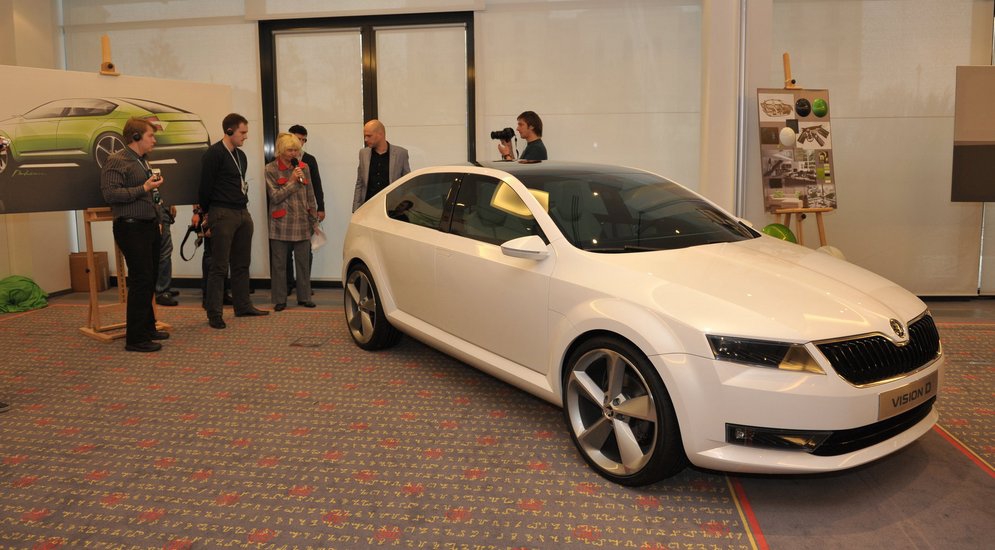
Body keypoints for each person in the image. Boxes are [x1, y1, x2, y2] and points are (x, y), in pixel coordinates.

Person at [99, 117, 169, 352]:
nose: (154, 140)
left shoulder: (142, 161)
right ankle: (136, 339)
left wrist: (158, 217)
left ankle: (147, 328)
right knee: (141, 280)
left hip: (148, 225)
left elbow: (149, 195)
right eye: (151, 135)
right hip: (130, 227)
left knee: (149, 278)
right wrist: (144, 188)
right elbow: (110, 195)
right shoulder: (116, 160)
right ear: (136, 137)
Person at [198, 112, 269, 329]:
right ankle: (214, 313)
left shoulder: (241, 156)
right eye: (242, 132)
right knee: (219, 266)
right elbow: (205, 187)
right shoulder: (214, 154)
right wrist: (205, 215)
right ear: (229, 131)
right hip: (222, 212)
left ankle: (243, 305)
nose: (245, 136)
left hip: (242, 212)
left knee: (241, 264)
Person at [266, 133, 317, 311]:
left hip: (302, 221)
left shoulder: (304, 167)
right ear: (280, 150)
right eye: (290, 150)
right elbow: (275, 196)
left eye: (296, 150)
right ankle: (280, 299)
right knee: (279, 264)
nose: (294, 153)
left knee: (303, 262)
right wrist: (292, 181)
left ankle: (304, 297)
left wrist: (314, 218)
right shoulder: (270, 169)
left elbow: (310, 194)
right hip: (280, 223)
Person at [286, 124, 324, 295]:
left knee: (305, 250)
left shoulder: (309, 160)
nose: (300, 143)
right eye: (297, 139)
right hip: (286, 212)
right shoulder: (279, 160)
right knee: (285, 251)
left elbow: (317, 185)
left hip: (305, 211)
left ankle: (304, 285)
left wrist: (320, 207)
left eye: (303, 140)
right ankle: (287, 284)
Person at [353, 119, 410, 212]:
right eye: (365, 136)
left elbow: (407, 183)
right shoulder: (363, 153)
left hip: (391, 209)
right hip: (368, 208)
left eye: (369, 136)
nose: (366, 139)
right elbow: (360, 182)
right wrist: (356, 209)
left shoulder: (400, 153)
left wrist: (403, 207)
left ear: (380, 134)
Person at [154, 200, 179, 306]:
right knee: (164, 252)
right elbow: (155, 193)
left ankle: (163, 288)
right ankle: (162, 291)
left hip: (162, 208)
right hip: (159, 210)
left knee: (165, 251)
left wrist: (170, 203)